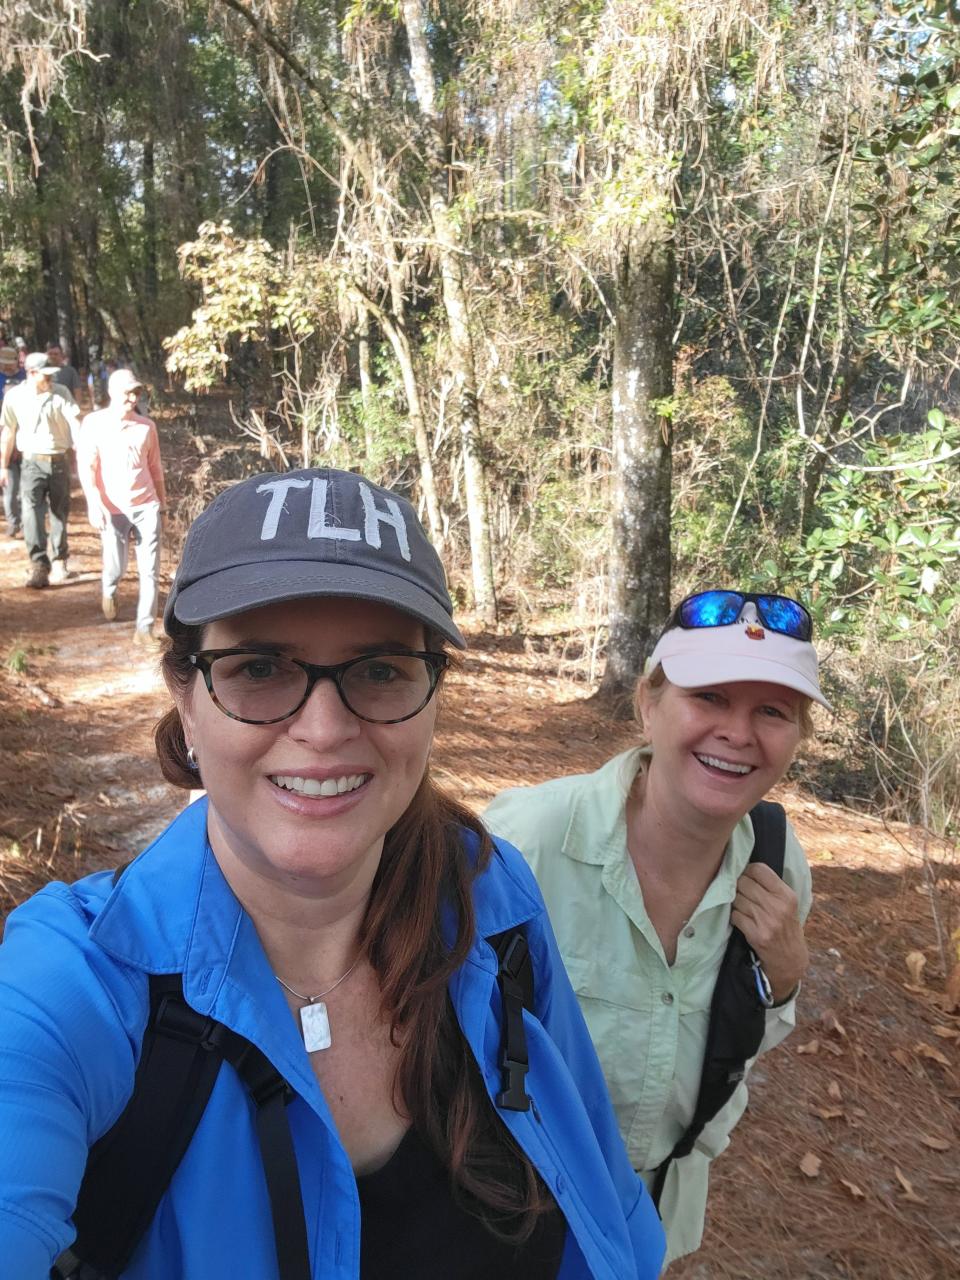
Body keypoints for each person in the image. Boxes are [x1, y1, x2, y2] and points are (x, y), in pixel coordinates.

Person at [0, 467, 665, 1279]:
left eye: (380, 670)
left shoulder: (487, 898)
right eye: (259, 668)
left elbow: (605, 1198)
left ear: (431, 695)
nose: (323, 729)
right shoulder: (76, 982)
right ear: (186, 694)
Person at [484, 590, 827, 1268]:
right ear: (649, 703)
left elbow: (731, 1052)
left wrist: (780, 986)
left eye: (771, 711)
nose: (738, 732)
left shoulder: (777, 864)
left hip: (651, 1219)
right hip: (504, 1211)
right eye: (709, 698)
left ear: (798, 737)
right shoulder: (524, 842)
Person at [79, 368, 167, 648]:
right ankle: (110, 589)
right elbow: (87, 467)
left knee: (149, 571)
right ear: (112, 393)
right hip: (112, 507)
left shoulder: (146, 426)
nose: (132, 397)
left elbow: (155, 469)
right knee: (116, 566)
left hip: (146, 505)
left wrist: (162, 505)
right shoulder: (93, 424)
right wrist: (94, 502)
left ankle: (144, 629)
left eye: (136, 392)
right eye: (128, 392)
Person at [0, 351, 81, 587]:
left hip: (58, 461)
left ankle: (59, 559)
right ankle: (38, 564)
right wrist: (3, 467)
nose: (50, 379)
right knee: (31, 513)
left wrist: (82, 449)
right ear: (32, 373)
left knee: (59, 512)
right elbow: (8, 434)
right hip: (31, 463)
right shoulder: (14, 397)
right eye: (44, 375)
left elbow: (74, 423)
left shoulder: (61, 393)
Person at [0, 343, 24, 537]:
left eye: (9, 363)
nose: (6, 367)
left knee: (27, 484)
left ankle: (27, 521)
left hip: (26, 434)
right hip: (3, 433)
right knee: (9, 481)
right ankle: (12, 521)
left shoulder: (26, 377)